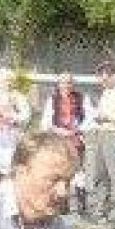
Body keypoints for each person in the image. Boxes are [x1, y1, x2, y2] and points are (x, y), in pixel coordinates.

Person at [84, 61, 115, 228]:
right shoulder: (105, 92)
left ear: (114, 76)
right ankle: (101, 210)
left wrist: (109, 118)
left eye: (105, 77)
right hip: (101, 133)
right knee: (100, 173)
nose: (102, 80)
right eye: (100, 77)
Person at [40, 72, 95, 214]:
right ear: (59, 84)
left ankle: (81, 204)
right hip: (59, 140)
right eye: (63, 82)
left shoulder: (83, 98)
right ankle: (63, 203)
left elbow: (90, 118)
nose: (66, 85)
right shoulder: (52, 100)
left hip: (77, 139)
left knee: (79, 171)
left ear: (73, 84)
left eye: (69, 82)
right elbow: (46, 122)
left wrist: (77, 129)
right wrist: (58, 130)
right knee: (61, 171)